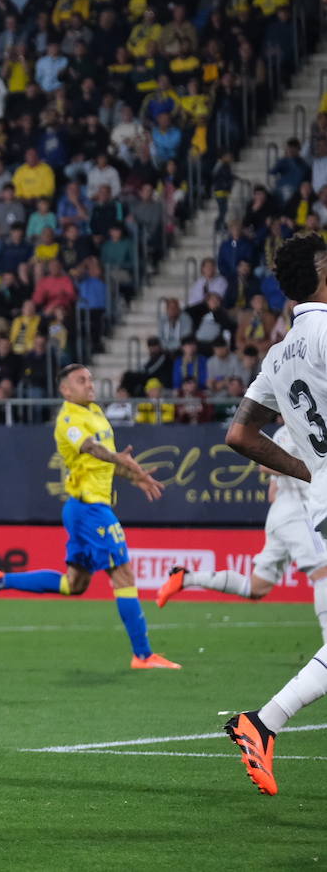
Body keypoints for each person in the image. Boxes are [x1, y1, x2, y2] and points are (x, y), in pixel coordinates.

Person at [0, 363, 180, 670]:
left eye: (90, 379)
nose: (89, 384)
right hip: (90, 509)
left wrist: (135, 476)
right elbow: (92, 449)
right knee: (123, 575)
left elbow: (106, 462)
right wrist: (122, 461)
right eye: (81, 381)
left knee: (74, 585)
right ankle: (143, 655)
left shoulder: (95, 412)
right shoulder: (68, 418)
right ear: (65, 389)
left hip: (82, 509)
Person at [219, 231, 327, 796]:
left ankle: (263, 722)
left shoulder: (279, 352)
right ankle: (265, 721)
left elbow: (239, 433)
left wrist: (308, 469)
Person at [156, 425, 327, 641]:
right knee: (323, 571)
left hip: (281, 514)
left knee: (257, 587)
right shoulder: (298, 429)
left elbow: (272, 494)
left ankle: (186, 578)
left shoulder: (284, 432)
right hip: (297, 511)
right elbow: (266, 466)